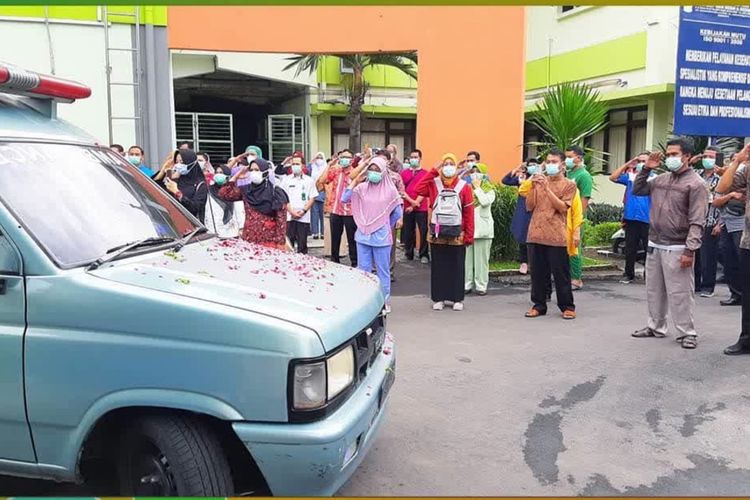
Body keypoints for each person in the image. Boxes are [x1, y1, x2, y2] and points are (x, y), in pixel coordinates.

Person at [631, 138, 708, 349]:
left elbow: (697, 220)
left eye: (675, 154)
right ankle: (655, 326)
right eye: (669, 154)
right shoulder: (661, 179)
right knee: (654, 290)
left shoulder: (696, 184)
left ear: (688, 157)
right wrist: (646, 169)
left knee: (680, 292)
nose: (670, 158)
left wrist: (690, 250)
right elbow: (637, 190)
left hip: (678, 246)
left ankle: (687, 333)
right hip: (655, 242)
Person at [342, 156, 403, 313]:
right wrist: (355, 181)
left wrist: (384, 225)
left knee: (383, 270)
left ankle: (383, 301)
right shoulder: (362, 188)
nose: (373, 173)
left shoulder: (390, 190)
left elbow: (397, 212)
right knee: (364, 270)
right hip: (362, 235)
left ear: (383, 172)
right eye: (371, 169)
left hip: (381, 237)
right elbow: (344, 198)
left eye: (377, 170)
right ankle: (365, 301)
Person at [415, 153, 475, 311]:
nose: (448, 167)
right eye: (445, 164)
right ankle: (438, 298)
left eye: (451, 164)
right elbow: (418, 189)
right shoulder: (433, 184)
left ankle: (457, 298)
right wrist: (433, 171)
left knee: (457, 266)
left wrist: (469, 235)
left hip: (458, 233)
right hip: (437, 233)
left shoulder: (464, 186)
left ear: (456, 167)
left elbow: (469, 212)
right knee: (439, 266)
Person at [523, 149, 577, 319]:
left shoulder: (569, 184)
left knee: (561, 273)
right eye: (548, 161)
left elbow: (562, 207)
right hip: (535, 233)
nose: (550, 165)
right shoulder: (539, 182)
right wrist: (532, 186)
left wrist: (547, 189)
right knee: (538, 273)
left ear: (562, 165)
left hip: (556, 236)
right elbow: (529, 206)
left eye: (554, 161)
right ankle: (538, 305)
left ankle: (567, 306)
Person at [716, 144, 750, 354]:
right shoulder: (747, 169)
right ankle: (746, 340)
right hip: (749, 242)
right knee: (748, 294)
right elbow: (722, 188)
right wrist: (739, 159)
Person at [219, 157, 289, 249]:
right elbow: (224, 194)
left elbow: (281, 220)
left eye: (257, 170)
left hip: (269, 241)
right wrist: (236, 176)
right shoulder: (246, 190)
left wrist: (280, 243)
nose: (253, 172)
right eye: (251, 170)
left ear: (265, 173)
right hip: (249, 240)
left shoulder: (275, 192)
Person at [609, 152, 654, 283]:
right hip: (631, 218)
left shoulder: (654, 179)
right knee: (630, 248)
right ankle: (629, 274)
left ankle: (649, 276)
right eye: (639, 161)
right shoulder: (630, 177)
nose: (641, 163)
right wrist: (629, 163)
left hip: (647, 219)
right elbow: (613, 177)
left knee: (648, 250)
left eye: (644, 161)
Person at [712, 155, 745, 307]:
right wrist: (730, 195)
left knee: (742, 261)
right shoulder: (726, 185)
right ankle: (736, 294)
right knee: (728, 260)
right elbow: (717, 201)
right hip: (727, 224)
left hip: (742, 225)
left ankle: (744, 295)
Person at [317, 149, 358, 266]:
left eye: (347, 157)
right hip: (335, 210)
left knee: (352, 239)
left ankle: (355, 262)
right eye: (342, 157)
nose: (344, 159)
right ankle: (335, 261)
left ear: (352, 160)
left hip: (350, 211)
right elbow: (322, 181)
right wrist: (329, 165)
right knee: (335, 238)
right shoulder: (336, 172)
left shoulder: (354, 173)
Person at [691, 146, 722, 298]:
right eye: (705, 157)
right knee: (694, 254)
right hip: (696, 220)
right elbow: (682, 174)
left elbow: (724, 202)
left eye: (711, 157)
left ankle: (708, 286)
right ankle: (695, 284)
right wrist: (691, 161)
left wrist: (719, 223)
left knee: (708, 257)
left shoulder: (721, 177)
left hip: (712, 220)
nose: (707, 160)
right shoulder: (697, 174)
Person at [464, 163, 496, 296]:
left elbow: (484, 202)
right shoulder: (467, 189)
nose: (475, 175)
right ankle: (467, 284)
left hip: (483, 231)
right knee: (467, 260)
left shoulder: (489, 190)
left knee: (481, 261)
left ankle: (481, 285)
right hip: (469, 230)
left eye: (478, 172)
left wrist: (477, 188)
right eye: (473, 172)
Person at [564, 145, 593, 290]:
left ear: (579, 158)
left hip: (575, 218)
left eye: (569, 157)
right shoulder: (568, 174)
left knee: (574, 248)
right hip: (564, 216)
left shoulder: (584, 176)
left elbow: (584, 200)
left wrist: (578, 220)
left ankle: (576, 279)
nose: (567, 160)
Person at [503, 158, 537, 274]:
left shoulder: (540, 178)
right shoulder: (522, 177)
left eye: (535, 165)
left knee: (535, 237)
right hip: (523, 210)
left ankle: (534, 262)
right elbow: (505, 180)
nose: (532, 167)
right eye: (530, 165)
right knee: (523, 235)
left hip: (536, 210)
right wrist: (517, 169)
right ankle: (524, 262)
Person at [280, 155, 318, 254]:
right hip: (289, 216)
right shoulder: (286, 180)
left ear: (303, 166)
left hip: (303, 216)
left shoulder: (309, 180)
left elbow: (312, 197)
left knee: (302, 243)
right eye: (293, 164)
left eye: (297, 164)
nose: (295, 166)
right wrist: (291, 211)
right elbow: (282, 197)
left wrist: (304, 211)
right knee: (288, 243)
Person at [163, 149, 209, 221]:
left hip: (191, 226)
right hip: (172, 223)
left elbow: (195, 208)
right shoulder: (176, 180)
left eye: (182, 161)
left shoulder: (200, 184)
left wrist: (177, 193)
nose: (178, 165)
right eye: (177, 162)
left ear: (190, 162)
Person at [401, 149, 430, 264]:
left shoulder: (425, 173)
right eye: (412, 157)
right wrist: (411, 202)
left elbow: (425, 190)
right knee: (408, 230)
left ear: (420, 158)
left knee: (423, 230)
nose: (413, 159)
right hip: (407, 206)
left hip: (421, 207)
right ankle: (408, 253)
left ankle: (424, 254)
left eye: (416, 157)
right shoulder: (404, 173)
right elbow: (401, 189)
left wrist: (415, 204)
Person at [204, 164, 243, 239]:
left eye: (221, 172)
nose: (218, 175)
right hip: (212, 231)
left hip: (231, 232)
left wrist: (241, 228)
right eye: (217, 172)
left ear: (227, 175)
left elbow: (239, 211)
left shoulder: (233, 191)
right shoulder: (208, 190)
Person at [309, 152, 328, 239]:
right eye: (317, 157)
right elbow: (306, 170)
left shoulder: (326, 167)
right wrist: (312, 161)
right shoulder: (312, 167)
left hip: (324, 193)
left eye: (321, 157)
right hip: (313, 192)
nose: (319, 159)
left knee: (322, 214)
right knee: (314, 214)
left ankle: (324, 232)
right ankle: (315, 232)